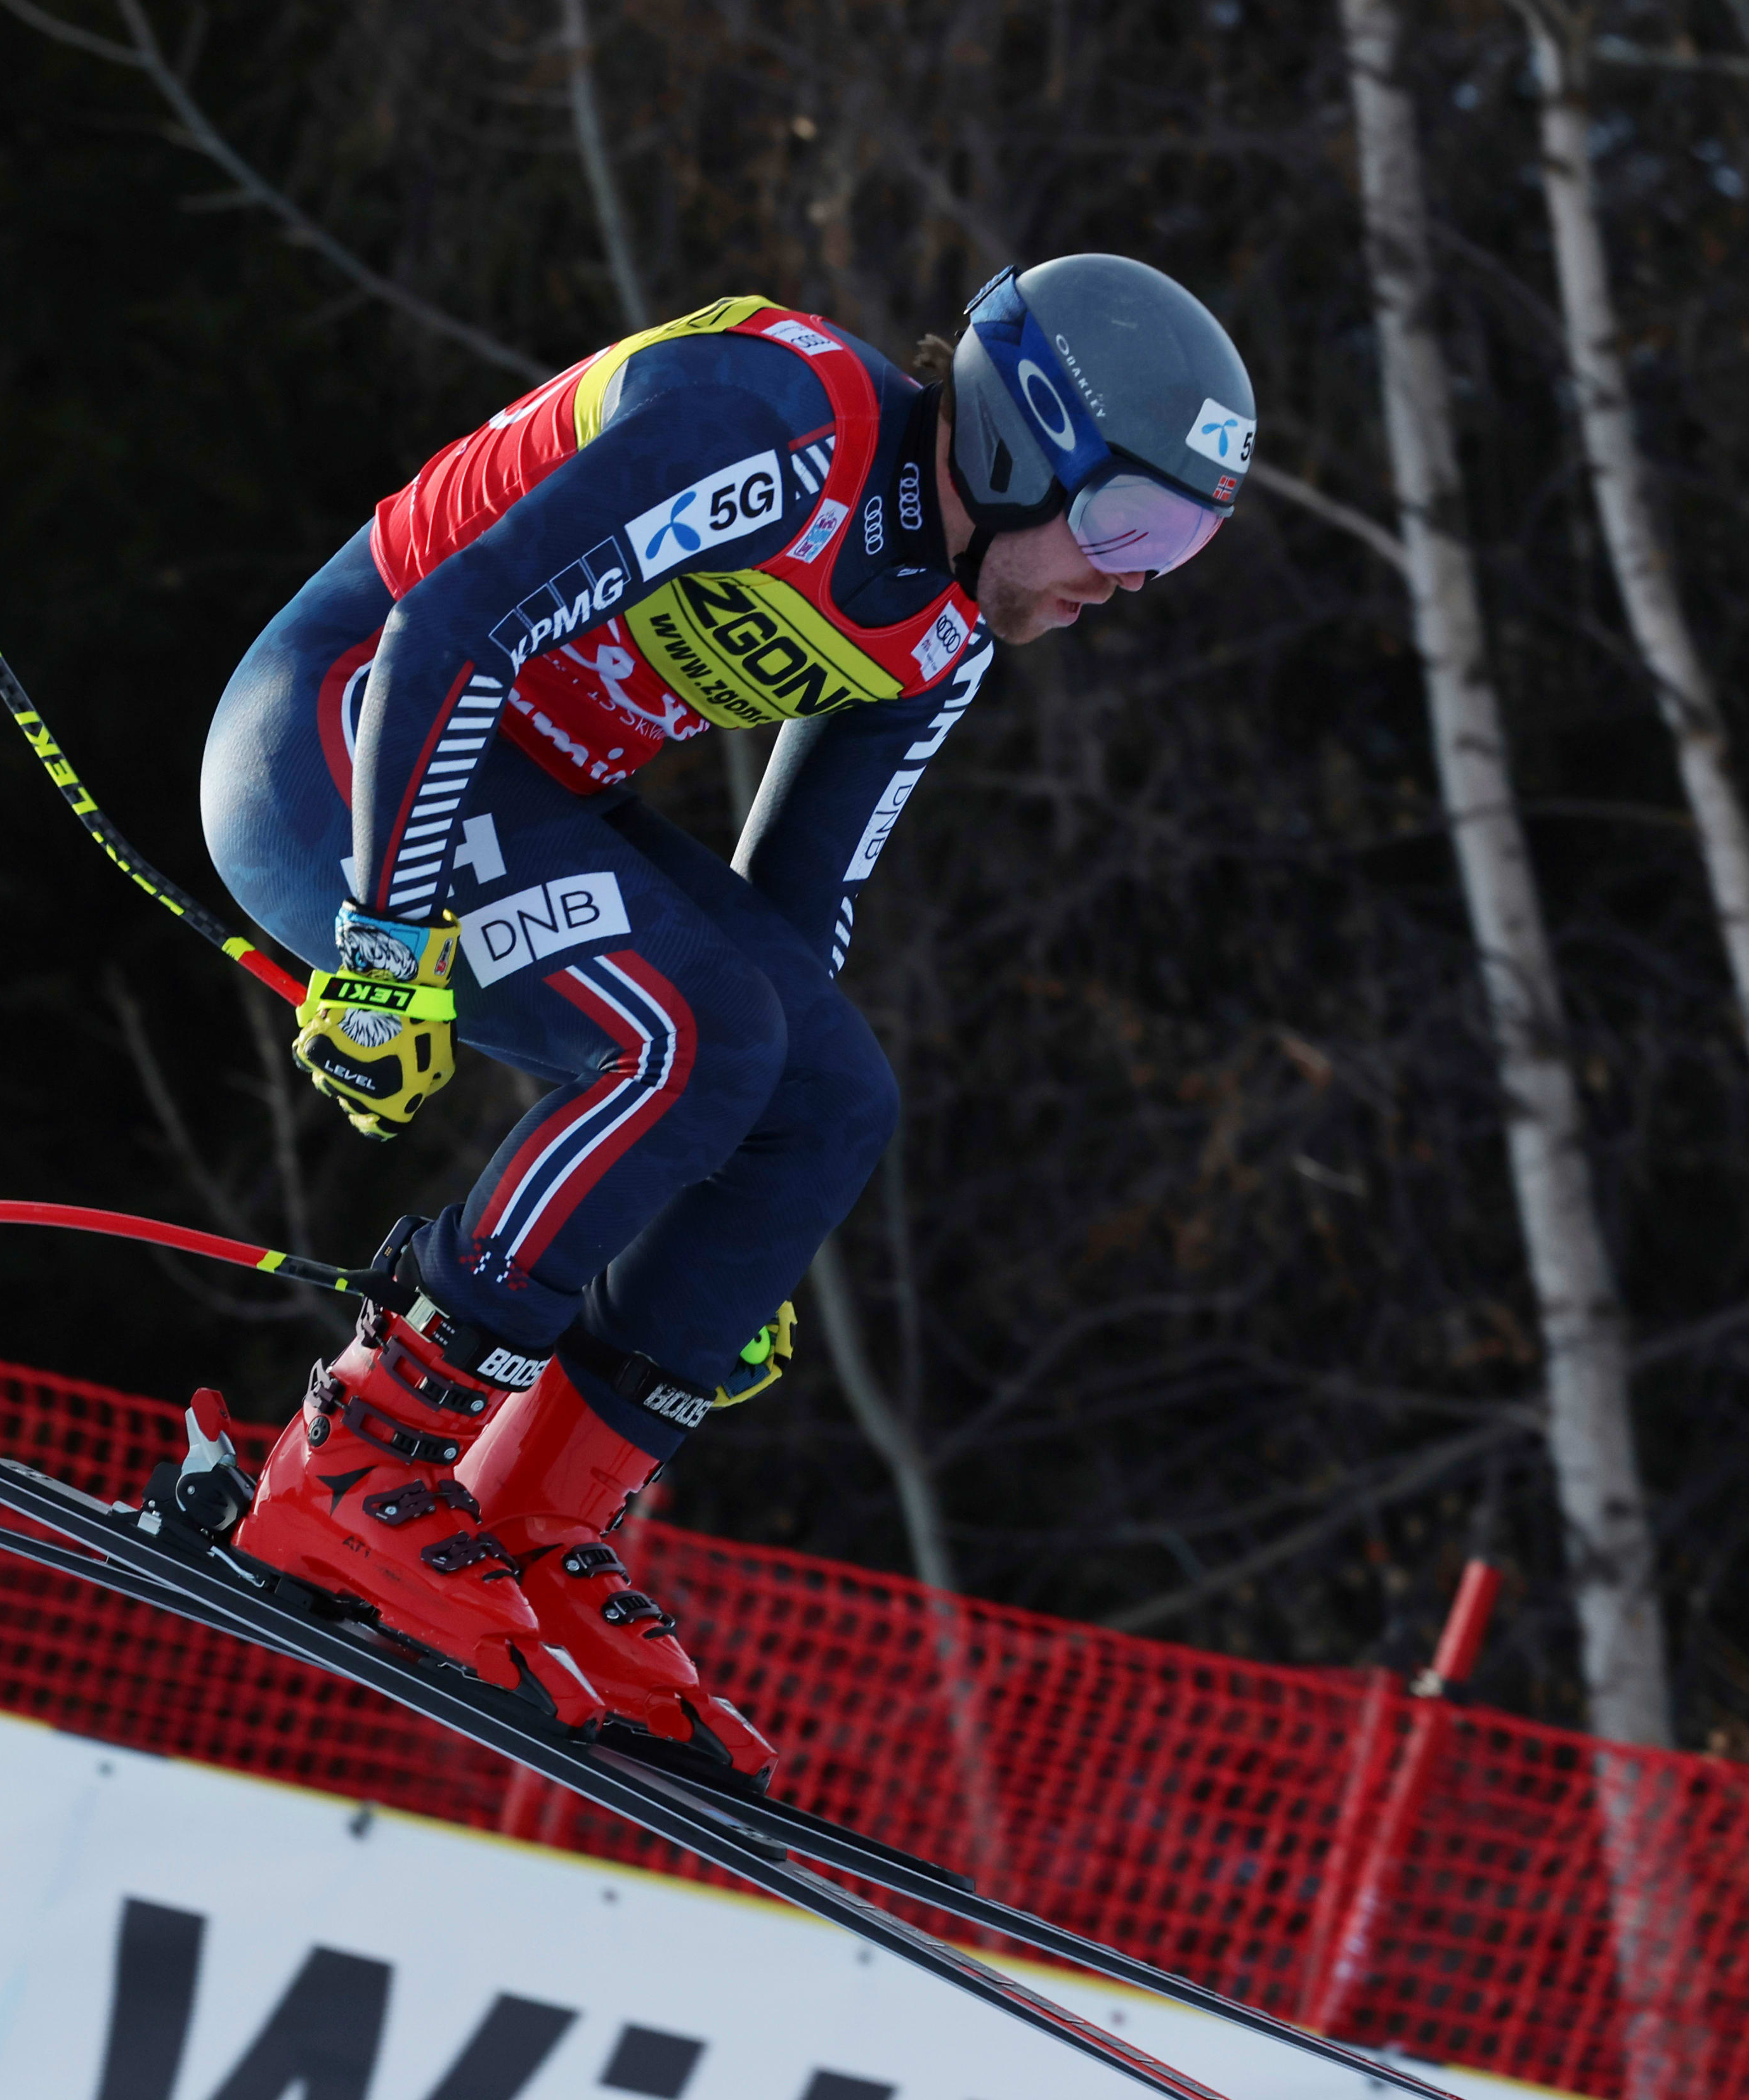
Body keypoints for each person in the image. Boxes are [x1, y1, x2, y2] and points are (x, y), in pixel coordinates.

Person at [198, 257, 1258, 1779]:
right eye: (1131, 525)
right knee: (688, 1040)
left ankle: (536, 1514)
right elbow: (447, 631)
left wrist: (732, 1218)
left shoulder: (943, 630)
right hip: (347, 739)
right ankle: (358, 1456)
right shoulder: (778, 426)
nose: (1136, 580)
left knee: (824, 1098)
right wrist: (382, 944)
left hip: (523, 786)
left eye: (1184, 548)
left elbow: (798, 914)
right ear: (1021, 443)